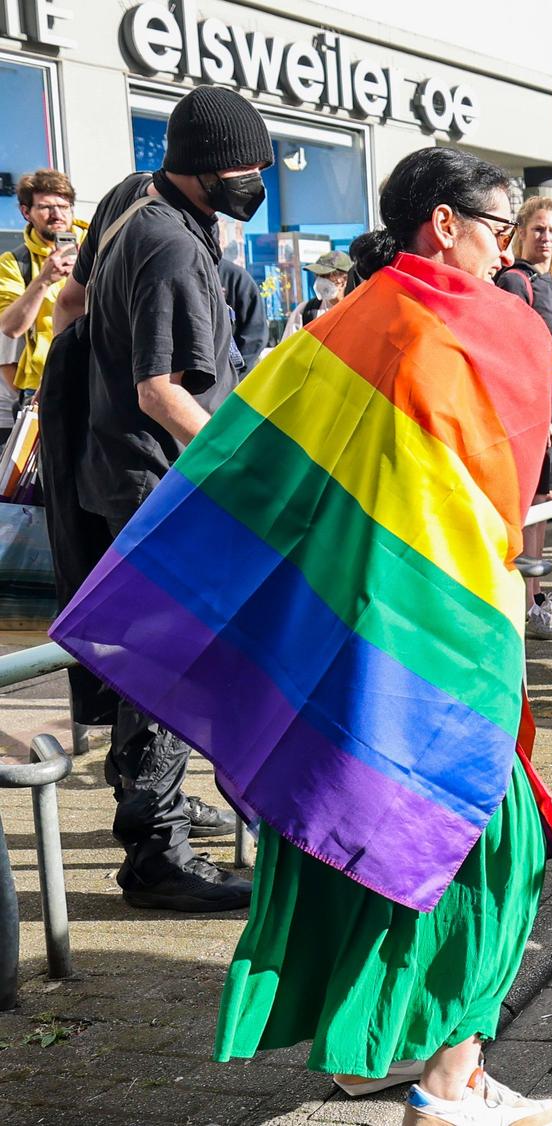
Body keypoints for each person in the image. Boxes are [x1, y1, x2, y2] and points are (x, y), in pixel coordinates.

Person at [200, 147, 552, 1125]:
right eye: (495, 228)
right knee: (492, 849)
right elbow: (485, 503)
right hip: (434, 641)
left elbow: (245, 463)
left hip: (336, 640)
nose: (504, 252)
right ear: (443, 224)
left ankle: (369, 1052)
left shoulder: (339, 325)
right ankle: (449, 1082)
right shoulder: (449, 334)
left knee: (353, 836)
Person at [58, 85, 272, 911]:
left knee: (153, 653)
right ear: (209, 172)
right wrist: (241, 482)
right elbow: (161, 391)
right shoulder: (174, 246)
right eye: (249, 169)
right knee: (169, 659)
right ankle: (155, 853)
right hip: (160, 482)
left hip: (114, 469)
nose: (256, 182)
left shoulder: (127, 198)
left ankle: (157, 804)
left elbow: (75, 307)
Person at [497, 197, 552, 642]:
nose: (545, 237)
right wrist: (537, 413)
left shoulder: (551, 283)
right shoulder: (514, 281)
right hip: (530, 407)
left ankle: (535, 594)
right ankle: (526, 601)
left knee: (546, 499)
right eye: (537, 229)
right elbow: (515, 353)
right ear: (520, 232)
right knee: (530, 501)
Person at [0, 168, 83, 408]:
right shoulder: (14, 262)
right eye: (46, 207)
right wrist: (43, 280)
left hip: (100, 376)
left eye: (64, 206)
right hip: (43, 385)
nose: (57, 214)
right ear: (26, 212)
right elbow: (10, 328)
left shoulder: (97, 244)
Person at [281, 250, 351, 339]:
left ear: (344, 280)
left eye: (325, 276)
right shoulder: (305, 311)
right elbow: (288, 348)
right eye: (317, 275)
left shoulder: (360, 310)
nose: (319, 281)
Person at [217, 252, 267, 372]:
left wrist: (234, 376)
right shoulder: (174, 270)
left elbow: (255, 334)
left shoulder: (235, 277)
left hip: (229, 378)